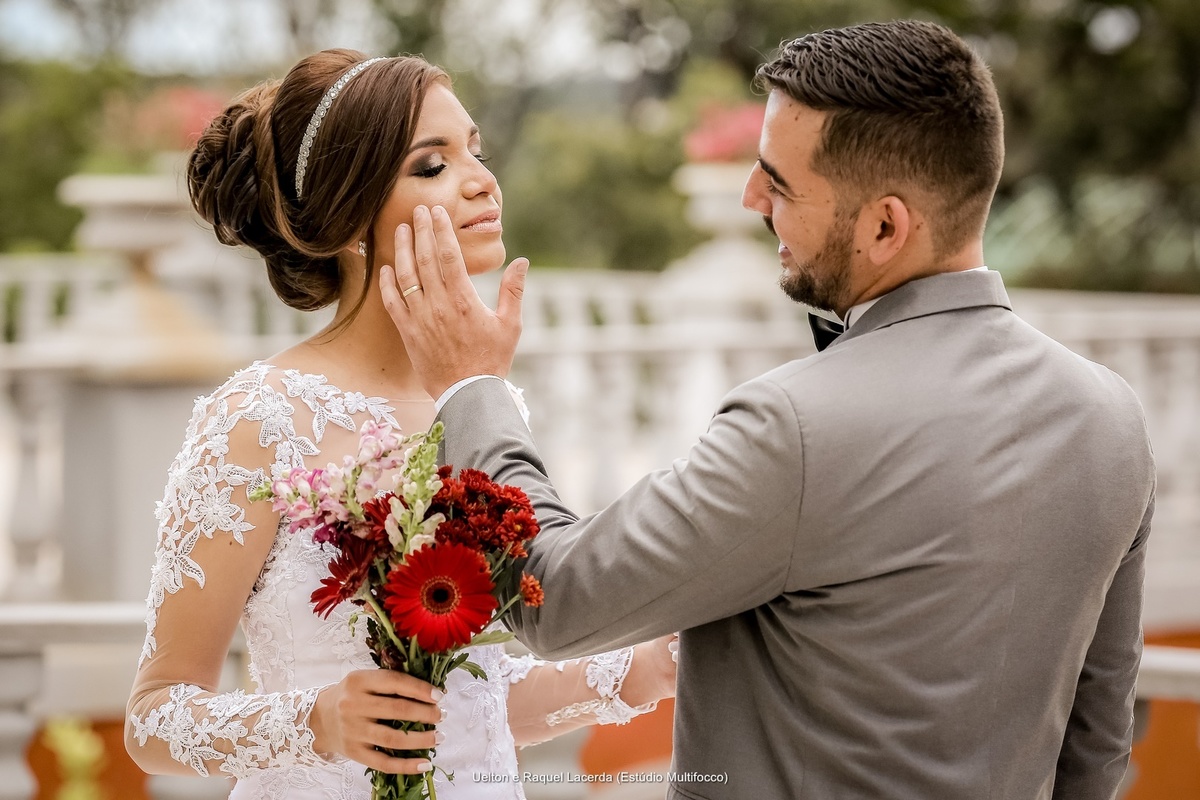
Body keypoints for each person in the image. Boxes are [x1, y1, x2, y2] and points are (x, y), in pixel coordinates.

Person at [381, 20, 1156, 800]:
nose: (752, 198)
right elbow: (1096, 749)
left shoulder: (799, 425)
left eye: (778, 183)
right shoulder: (1112, 417)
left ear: (886, 226)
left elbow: (557, 600)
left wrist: (469, 388)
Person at [124, 49, 677, 800]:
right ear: (352, 212)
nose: (484, 181)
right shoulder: (258, 421)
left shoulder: (488, 408)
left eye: (476, 151)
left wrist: (641, 671)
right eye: (432, 166)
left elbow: (472, 707)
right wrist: (314, 722)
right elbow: (154, 721)